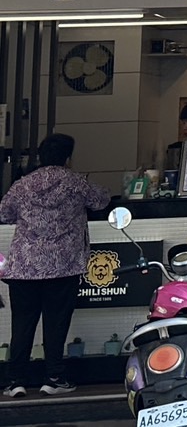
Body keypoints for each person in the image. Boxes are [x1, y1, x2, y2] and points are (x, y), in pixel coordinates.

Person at [0, 133, 112, 398]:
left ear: (40, 156)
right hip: (63, 267)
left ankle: (15, 381)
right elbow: (102, 200)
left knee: (23, 324)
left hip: (24, 268)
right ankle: (54, 378)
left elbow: (4, 213)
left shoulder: (22, 184)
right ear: (68, 157)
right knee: (56, 323)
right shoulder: (76, 183)